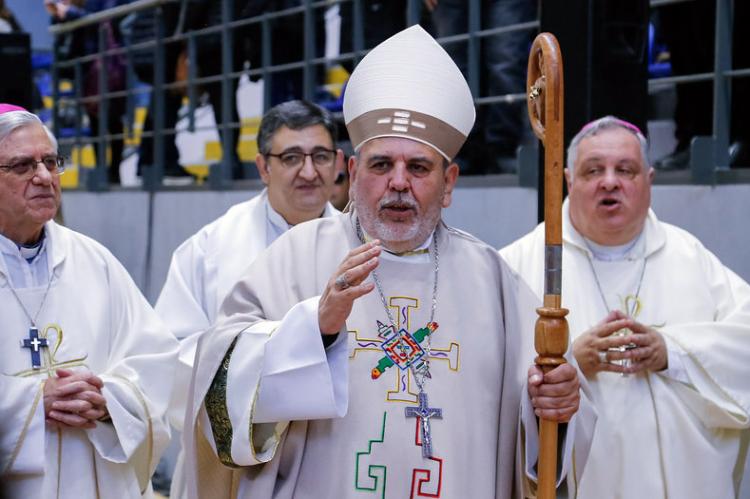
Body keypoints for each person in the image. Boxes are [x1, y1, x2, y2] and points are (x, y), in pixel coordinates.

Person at [181, 26, 588, 499]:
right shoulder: (293, 259)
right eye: (380, 165)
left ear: (449, 182)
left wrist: (553, 407)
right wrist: (315, 329)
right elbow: (218, 393)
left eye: (418, 168)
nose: (398, 183)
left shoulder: (494, 281)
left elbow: (539, 430)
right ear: (352, 174)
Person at [501, 116, 750, 498]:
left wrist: (673, 352)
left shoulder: (689, 257)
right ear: (569, 180)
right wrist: (569, 363)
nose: (610, 181)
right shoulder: (522, 263)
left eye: (626, 170)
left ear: (649, 181)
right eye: (593, 170)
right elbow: (488, 385)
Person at [155, 99, 341, 498]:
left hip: (335, 453)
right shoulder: (210, 250)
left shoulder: (361, 248)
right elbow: (173, 358)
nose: (308, 171)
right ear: (262, 167)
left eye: (320, 156)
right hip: (241, 464)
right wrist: (278, 366)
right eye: (291, 157)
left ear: (339, 163)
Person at [0, 104, 178, 497]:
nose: (44, 177)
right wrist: (31, 402)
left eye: (50, 161)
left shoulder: (92, 260)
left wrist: (107, 398)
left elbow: (156, 360)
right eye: (22, 166)